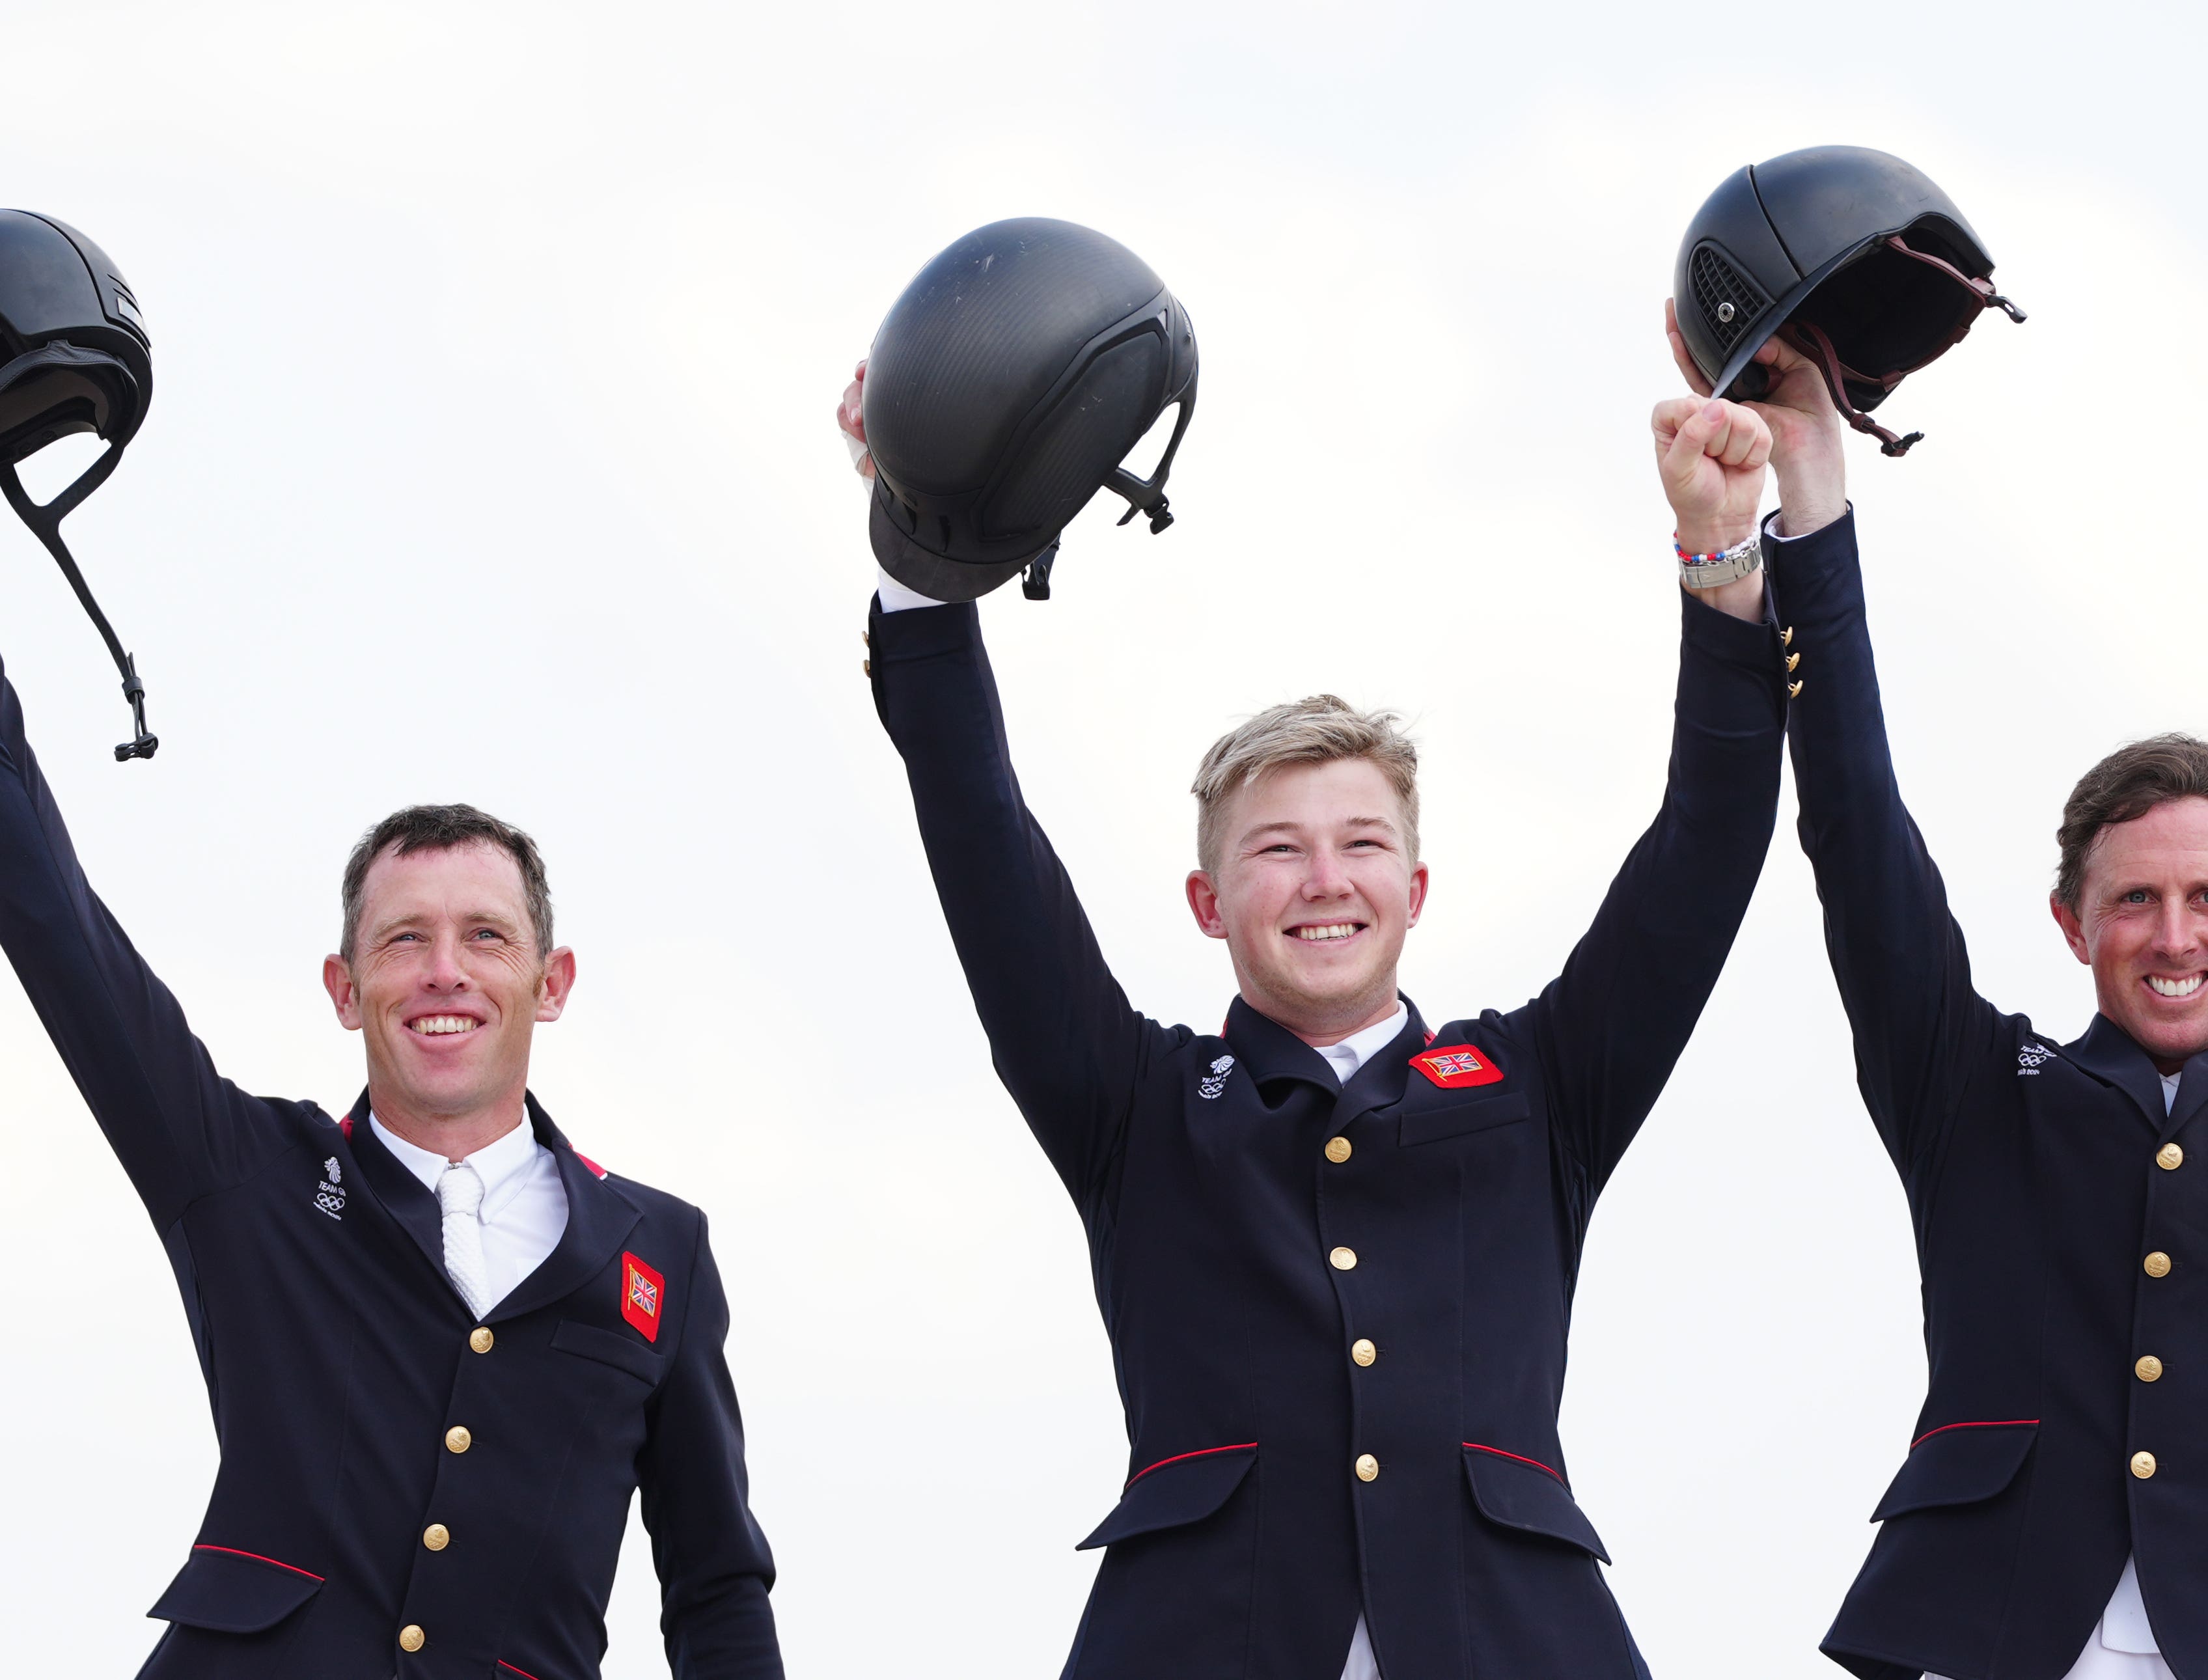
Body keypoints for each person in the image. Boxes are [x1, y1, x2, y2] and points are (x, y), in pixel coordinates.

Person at [840, 352, 1790, 1677]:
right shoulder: (1135, 1109)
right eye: (1277, 849)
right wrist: (920, 555)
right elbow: (980, 830)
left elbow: (1707, 845)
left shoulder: (1541, 1088)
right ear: (1206, 899)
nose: (1325, 880)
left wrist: (1720, 559)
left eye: (1359, 843)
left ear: (1414, 886)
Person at [1684, 317, 2208, 1679]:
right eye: (2133, 898)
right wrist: (1812, 490)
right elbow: (1853, 825)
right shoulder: (1972, 1093)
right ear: (2071, 923)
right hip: (1987, 1633)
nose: (2172, 933)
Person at [0, 672, 783, 1676]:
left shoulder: (662, 1250)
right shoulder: (248, 1175)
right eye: (404, 937)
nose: (444, 970)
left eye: (486, 936)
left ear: (551, 985)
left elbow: (716, 1587)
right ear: (345, 988)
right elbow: (61, 933)